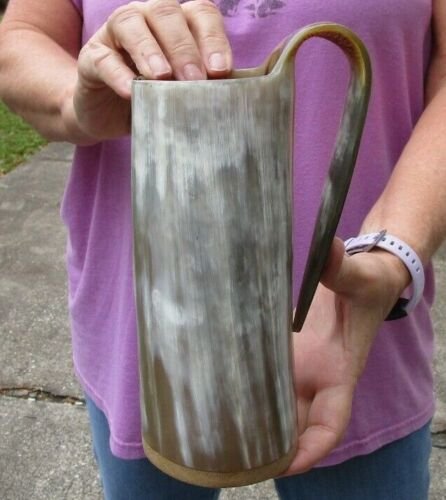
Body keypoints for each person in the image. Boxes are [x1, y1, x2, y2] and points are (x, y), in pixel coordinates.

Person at [1, 0, 445, 498]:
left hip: (361, 328)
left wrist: (391, 252)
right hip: (145, 347)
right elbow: (22, 35)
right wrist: (75, 99)